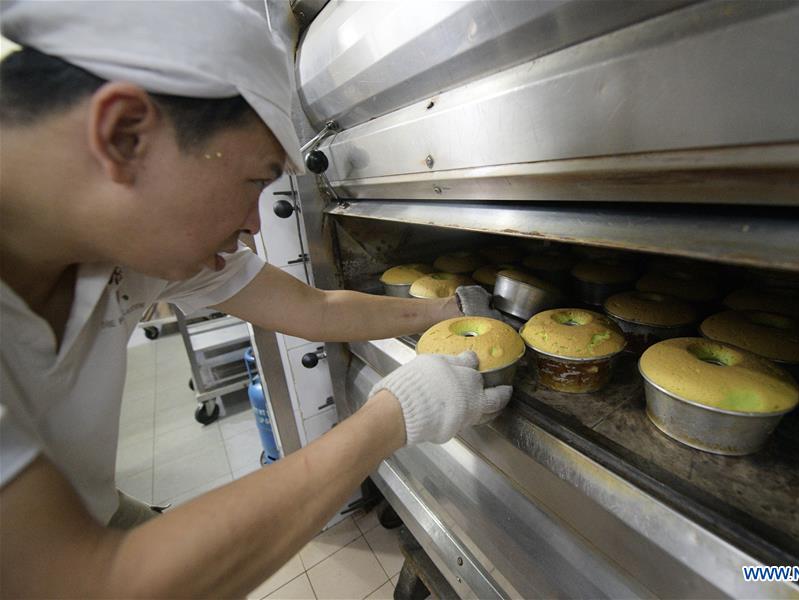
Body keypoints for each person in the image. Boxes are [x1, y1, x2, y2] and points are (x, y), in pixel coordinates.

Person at [0, 3, 512, 597]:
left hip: (88, 514)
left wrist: (445, 313)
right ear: (124, 134)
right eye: (255, 184)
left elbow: (316, 311)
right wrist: (394, 416)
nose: (250, 225)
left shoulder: (126, 247)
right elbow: (88, 583)